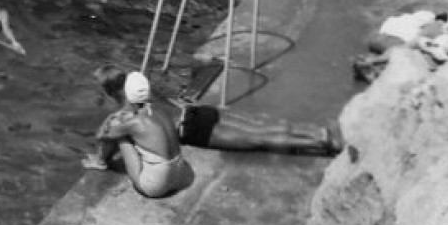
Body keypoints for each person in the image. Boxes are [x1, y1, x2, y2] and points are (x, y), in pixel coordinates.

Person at [89, 65, 338, 158]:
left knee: (258, 139)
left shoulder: (126, 110)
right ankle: (317, 132)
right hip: (199, 112)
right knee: (258, 126)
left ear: (110, 91)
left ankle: (318, 143)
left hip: (193, 130)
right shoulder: (140, 84)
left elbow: (107, 136)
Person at [83, 70, 194, 198]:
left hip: (157, 185)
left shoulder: (135, 123)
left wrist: (111, 118)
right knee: (130, 132)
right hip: (182, 175)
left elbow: (101, 135)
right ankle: (102, 160)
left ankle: (100, 162)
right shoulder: (160, 109)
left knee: (119, 133)